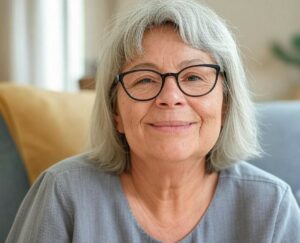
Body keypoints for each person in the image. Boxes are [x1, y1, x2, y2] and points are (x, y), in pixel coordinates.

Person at [6, 0, 300, 242]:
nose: (170, 97)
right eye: (145, 79)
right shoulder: (62, 193)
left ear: (225, 105)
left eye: (194, 77)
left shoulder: (272, 206)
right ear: (115, 112)